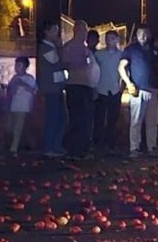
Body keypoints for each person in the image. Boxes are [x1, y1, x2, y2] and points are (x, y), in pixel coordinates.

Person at [119, 26, 158, 157]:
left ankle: (152, 147)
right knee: (136, 121)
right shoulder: (130, 50)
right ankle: (134, 148)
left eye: (145, 34)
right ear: (137, 35)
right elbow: (121, 68)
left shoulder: (154, 50)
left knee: (152, 122)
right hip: (138, 91)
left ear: (149, 35)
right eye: (140, 34)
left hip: (153, 90)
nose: (143, 36)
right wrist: (129, 84)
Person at [63, 20, 96, 158]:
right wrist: (80, 63)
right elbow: (64, 64)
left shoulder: (85, 49)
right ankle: (74, 150)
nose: (84, 33)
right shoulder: (69, 47)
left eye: (85, 30)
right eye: (83, 30)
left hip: (86, 86)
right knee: (78, 119)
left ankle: (81, 148)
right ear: (76, 31)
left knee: (86, 119)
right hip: (75, 87)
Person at [37, 20, 69, 158]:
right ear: (47, 32)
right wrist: (60, 47)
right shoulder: (45, 48)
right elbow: (58, 60)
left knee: (62, 117)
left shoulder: (52, 47)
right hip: (51, 88)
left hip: (58, 86)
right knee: (53, 118)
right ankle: (49, 147)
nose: (57, 33)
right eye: (54, 30)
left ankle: (56, 146)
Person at [93, 30, 125, 150]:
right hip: (101, 89)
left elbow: (124, 72)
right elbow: (94, 72)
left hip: (115, 90)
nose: (108, 41)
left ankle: (110, 143)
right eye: (107, 38)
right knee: (99, 118)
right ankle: (98, 143)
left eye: (111, 38)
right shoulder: (98, 54)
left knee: (113, 119)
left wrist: (122, 87)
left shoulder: (121, 55)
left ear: (117, 40)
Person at [6, 57, 38, 156]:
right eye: (16, 65)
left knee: (18, 128)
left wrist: (23, 84)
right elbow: (10, 91)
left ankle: (14, 149)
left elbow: (34, 90)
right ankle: (28, 144)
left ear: (25, 67)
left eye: (19, 65)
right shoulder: (14, 78)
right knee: (11, 127)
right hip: (13, 106)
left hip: (23, 106)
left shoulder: (29, 78)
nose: (17, 68)